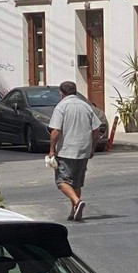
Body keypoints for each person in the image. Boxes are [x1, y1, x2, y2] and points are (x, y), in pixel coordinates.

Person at [48, 81, 101, 222]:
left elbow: (55, 131)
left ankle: (77, 202)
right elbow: (96, 131)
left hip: (67, 150)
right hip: (83, 150)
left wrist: (52, 150)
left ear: (62, 93)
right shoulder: (86, 106)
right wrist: (92, 148)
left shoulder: (62, 106)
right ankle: (74, 212)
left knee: (62, 181)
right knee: (76, 183)